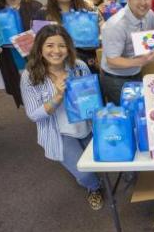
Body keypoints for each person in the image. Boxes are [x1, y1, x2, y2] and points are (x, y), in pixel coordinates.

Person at [20, 24, 103, 210]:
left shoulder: (79, 66)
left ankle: (96, 180)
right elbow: (34, 115)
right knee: (83, 172)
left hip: (86, 125)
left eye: (62, 45)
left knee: (99, 160)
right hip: (60, 133)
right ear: (40, 48)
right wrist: (57, 96)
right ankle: (94, 188)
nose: (56, 51)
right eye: (49, 45)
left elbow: (93, 97)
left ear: (69, 48)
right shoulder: (30, 75)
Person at [33, 0, 102, 73]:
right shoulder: (42, 14)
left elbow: (103, 34)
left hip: (88, 65)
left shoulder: (89, 10)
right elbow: (39, 44)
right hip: (57, 69)